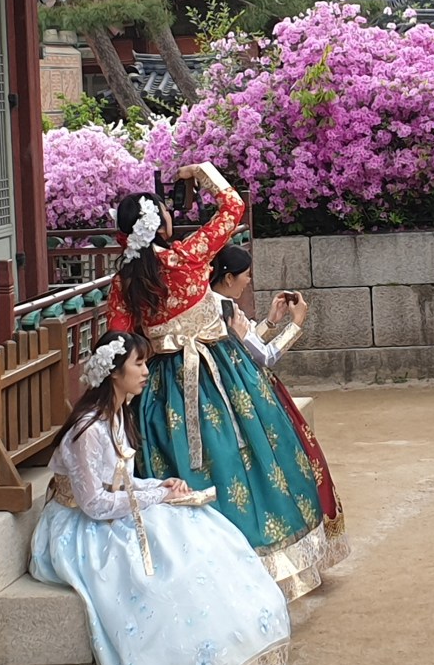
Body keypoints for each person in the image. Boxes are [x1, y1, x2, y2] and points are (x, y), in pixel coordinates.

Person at [105, 163, 329, 600]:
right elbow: (233, 205)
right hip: (223, 372)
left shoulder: (124, 282)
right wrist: (200, 172)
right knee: (250, 455)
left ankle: (202, 575)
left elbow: (120, 340)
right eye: (166, 211)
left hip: (162, 390)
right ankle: (270, 562)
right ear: (160, 225)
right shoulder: (189, 255)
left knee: (182, 470)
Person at [29, 331, 291, 665]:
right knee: (165, 565)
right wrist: (157, 496)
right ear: (114, 372)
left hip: (112, 509)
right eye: (138, 364)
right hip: (80, 525)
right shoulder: (88, 430)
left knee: (199, 530)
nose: (145, 372)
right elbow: (94, 504)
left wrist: (158, 485)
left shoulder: (117, 413)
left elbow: (119, 481)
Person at [210, 244, 350, 567]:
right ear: (229, 278)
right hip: (249, 397)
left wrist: (271, 322)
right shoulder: (224, 308)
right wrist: (296, 325)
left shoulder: (216, 304)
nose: (248, 281)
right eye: (246, 276)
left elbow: (246, 346)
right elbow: (264, 356)